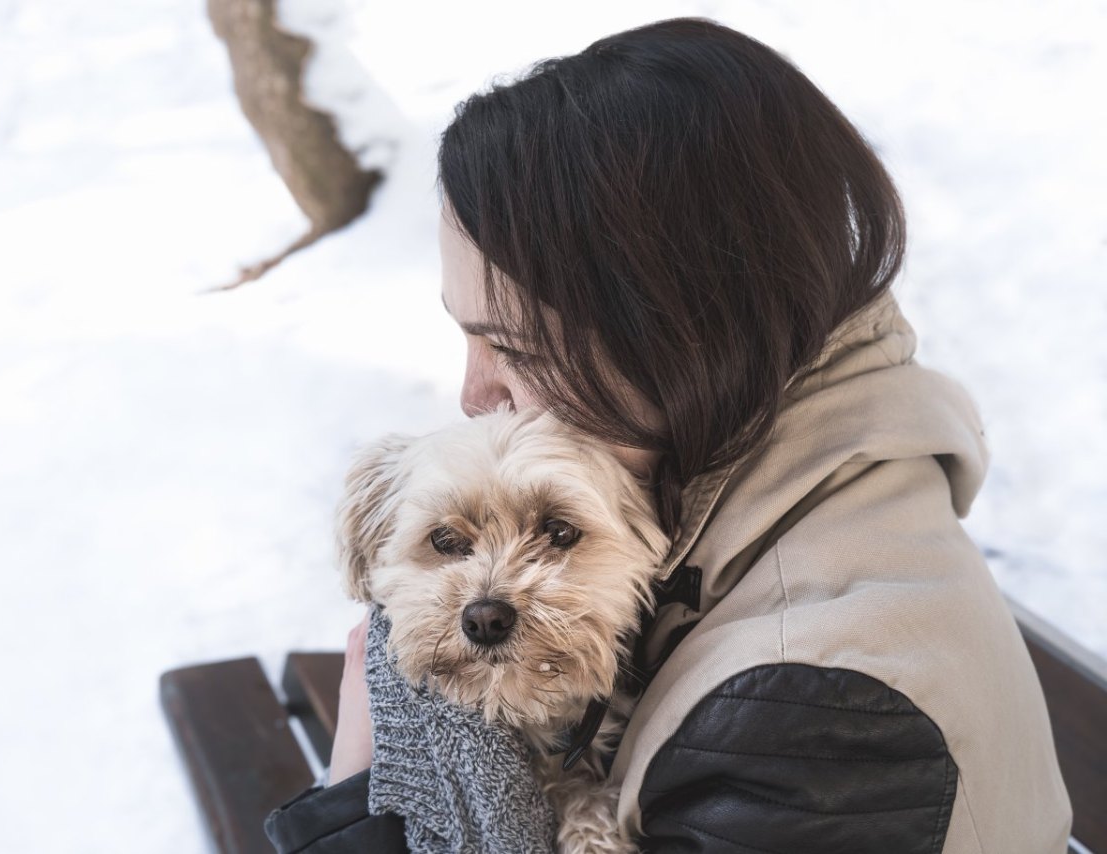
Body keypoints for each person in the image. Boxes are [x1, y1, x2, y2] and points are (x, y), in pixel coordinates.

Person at [266, 16, 1072, 853]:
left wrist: (359, 798)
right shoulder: (774, 501)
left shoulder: (819, 720)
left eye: (515, 348)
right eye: (466, 336)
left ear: (686, 329)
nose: (476, 396)